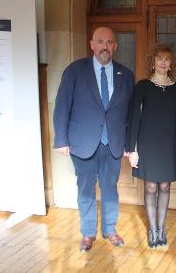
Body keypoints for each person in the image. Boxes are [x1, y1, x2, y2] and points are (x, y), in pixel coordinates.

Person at [53, 26, 135, 252]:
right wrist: (61, 140)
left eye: (109, 42)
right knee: (86, 189)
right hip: (82, 143)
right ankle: (88, 233)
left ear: (115, 46)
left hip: (114, 144)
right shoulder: (75, 70)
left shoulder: (126, 74)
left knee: (110, 188)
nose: (105, 46)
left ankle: (109, 229)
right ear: (92, 44)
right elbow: (62, 106)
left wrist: (130, 144)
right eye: (100, 42)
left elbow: (130, 114)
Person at [127, 44, 176, 248]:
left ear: (171, 64)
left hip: (169, 143)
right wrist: (132, 149)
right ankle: (152, 230)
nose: (163, 62)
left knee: (165, 185)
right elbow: (135, 118)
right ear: (153, 62)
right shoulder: (142, 86)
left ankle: (162, 229)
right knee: (151, 186)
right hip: (147, 143)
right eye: (159, 58)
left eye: (167, 59)